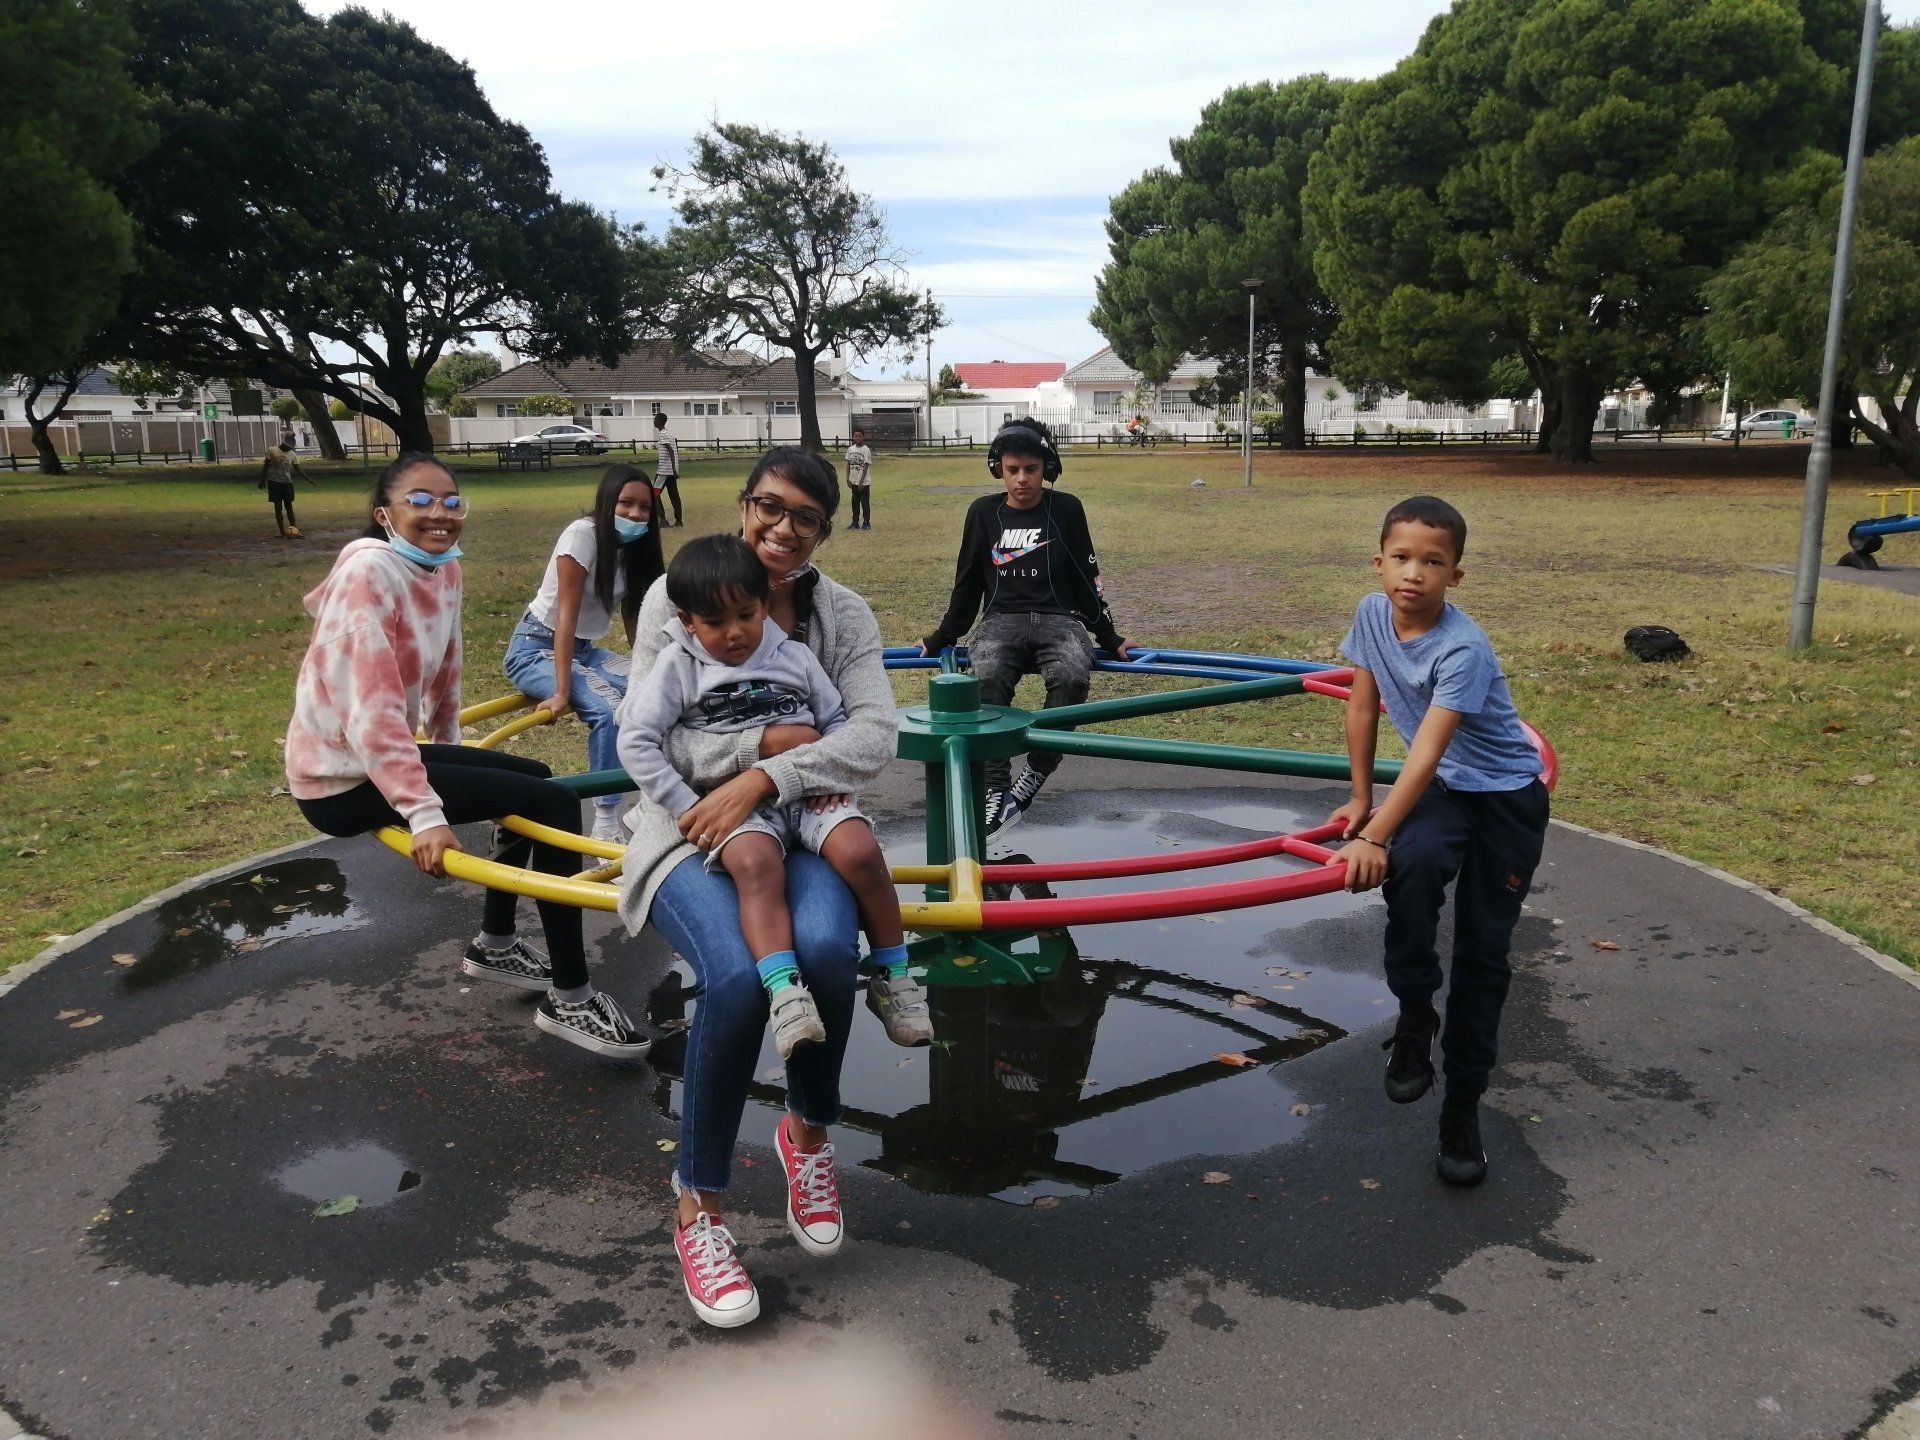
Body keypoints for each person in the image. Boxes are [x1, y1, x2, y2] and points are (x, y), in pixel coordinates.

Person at [613, 447, 898, 1329]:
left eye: (804, 518)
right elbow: (647, 733)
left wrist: (773, 778)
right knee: (738, 979)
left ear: (822, 529)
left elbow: (874, 735)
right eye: (768, 508)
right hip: (687, 828)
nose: (781, 530)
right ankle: (698, 1206)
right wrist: (756, 756)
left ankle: (806, 1139)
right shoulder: (678, 593)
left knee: (820, 950)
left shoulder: (839, 614)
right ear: (744, 507)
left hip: (798, 822)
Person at [284, 452, 648, 1061]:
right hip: (338, 777)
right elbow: (368, 712)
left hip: (381, 753)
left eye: (451, 502)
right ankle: (571, 996)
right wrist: (426, 812)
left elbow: (445, 671)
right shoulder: (368, 576)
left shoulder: (441, 567)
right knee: (554, 802)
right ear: (384, 515)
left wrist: (451, 760)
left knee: (531, 777)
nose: (440, 514)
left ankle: (497, 941)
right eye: (419, 501)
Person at [619, 532, 926, 1062]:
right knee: (756, 865)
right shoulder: (677, 666)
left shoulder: (796, 657)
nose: (734, 633)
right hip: (730, 804)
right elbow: (638, 738)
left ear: (765, 603)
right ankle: (785, 992)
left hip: (806, 794)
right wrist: (682, 805)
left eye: (745, 614)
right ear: (687, 621)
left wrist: (830, 776)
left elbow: (837, 723)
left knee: (859, 852)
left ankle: (893, 974)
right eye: (714, 623)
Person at [1328, 495, 1550, 1189]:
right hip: (1446, 791)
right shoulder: (1371, 613)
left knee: (1485, 950)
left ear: (1456, 575)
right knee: (1413, 867)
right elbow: (1363, 704)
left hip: (1505, 800)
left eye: (1433, 562)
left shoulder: (1462, 647)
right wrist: (1364, 805)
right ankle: (1416, 1014)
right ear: (1379, 563)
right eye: (1401, 558)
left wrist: (1377, 831)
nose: (1413, 574)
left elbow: (1425, 750)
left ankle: (1462, 1109)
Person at [919, 418, 1133, 840]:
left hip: (1060, 620)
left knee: (1072, 676)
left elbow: (1086, 577)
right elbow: (968, 582)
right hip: (1001, 620)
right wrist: (942, 636)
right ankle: (996, 787)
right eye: (1013, 469)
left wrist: (1110, 637)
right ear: (998, 467)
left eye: (1031, 469)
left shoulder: (1067, 509)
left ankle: (1034, 774)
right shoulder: (983, 512)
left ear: (1046, 469)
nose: (1022, 479)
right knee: (987, 678)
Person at [503, 464, 666, 841]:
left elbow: (634, 616)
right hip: (536, 646)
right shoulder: (582, 536)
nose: (635, 515)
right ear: (607, 500)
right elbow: (566, 618)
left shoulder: (635, 546)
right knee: (608, 708)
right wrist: (560, 692)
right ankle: (606, 822)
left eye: (644, 508)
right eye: (626, 504)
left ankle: (649, 802)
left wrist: (652, 666)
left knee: (654, 691)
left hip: (585, 649)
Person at [259, 437, 316, 538]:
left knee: (289, 507)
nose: (290, 449)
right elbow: (266, 465)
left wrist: (309, 480)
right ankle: (281, 532)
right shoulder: (272, 450)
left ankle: (294, 530)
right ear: (284, 444)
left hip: (287, 483)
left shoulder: (292, 454)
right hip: (274, 483)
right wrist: (262, 479)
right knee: (278, 508)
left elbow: (298, 469)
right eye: (288, 447)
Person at [652, 411, 683, 527]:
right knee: (674, 495)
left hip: (664, 471)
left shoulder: (663, 435)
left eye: (655, 419)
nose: (654, 421)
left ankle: (663, 520)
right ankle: (679, 521)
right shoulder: (669, 434)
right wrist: (674, 469)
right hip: (670, 470)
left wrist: (673, 469)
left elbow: (671, 451)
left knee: (654, 494)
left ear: (659, 422)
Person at [844, 427, 873, 531]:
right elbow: (848, 464)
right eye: (856, 436)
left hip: (863, 483)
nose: (858, 438)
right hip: (854, 482)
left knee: (864, 503)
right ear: (853, 437)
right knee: (854, 503)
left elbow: (865, 466)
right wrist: (847, 478)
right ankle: (855, 523)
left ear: (863, 437)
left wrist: (861, 482)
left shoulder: (866, 449)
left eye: (860, 436)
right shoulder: (850, 449)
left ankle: (866, 523)